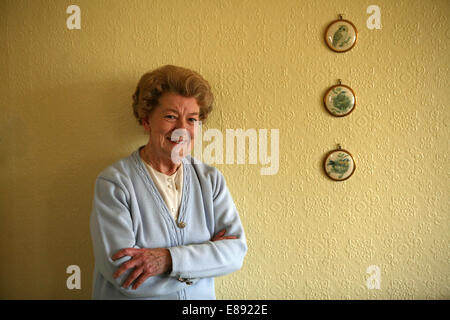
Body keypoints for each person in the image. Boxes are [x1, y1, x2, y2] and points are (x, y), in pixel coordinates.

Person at [90, 65, 247, 300]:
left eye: (192, 119)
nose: (182, 129)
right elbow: (125, 274)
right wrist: (206, 260)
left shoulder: (210, 180)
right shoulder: (114, 184)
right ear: (146, 121)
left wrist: (167, 260)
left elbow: (235, 253)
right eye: (170, 116)